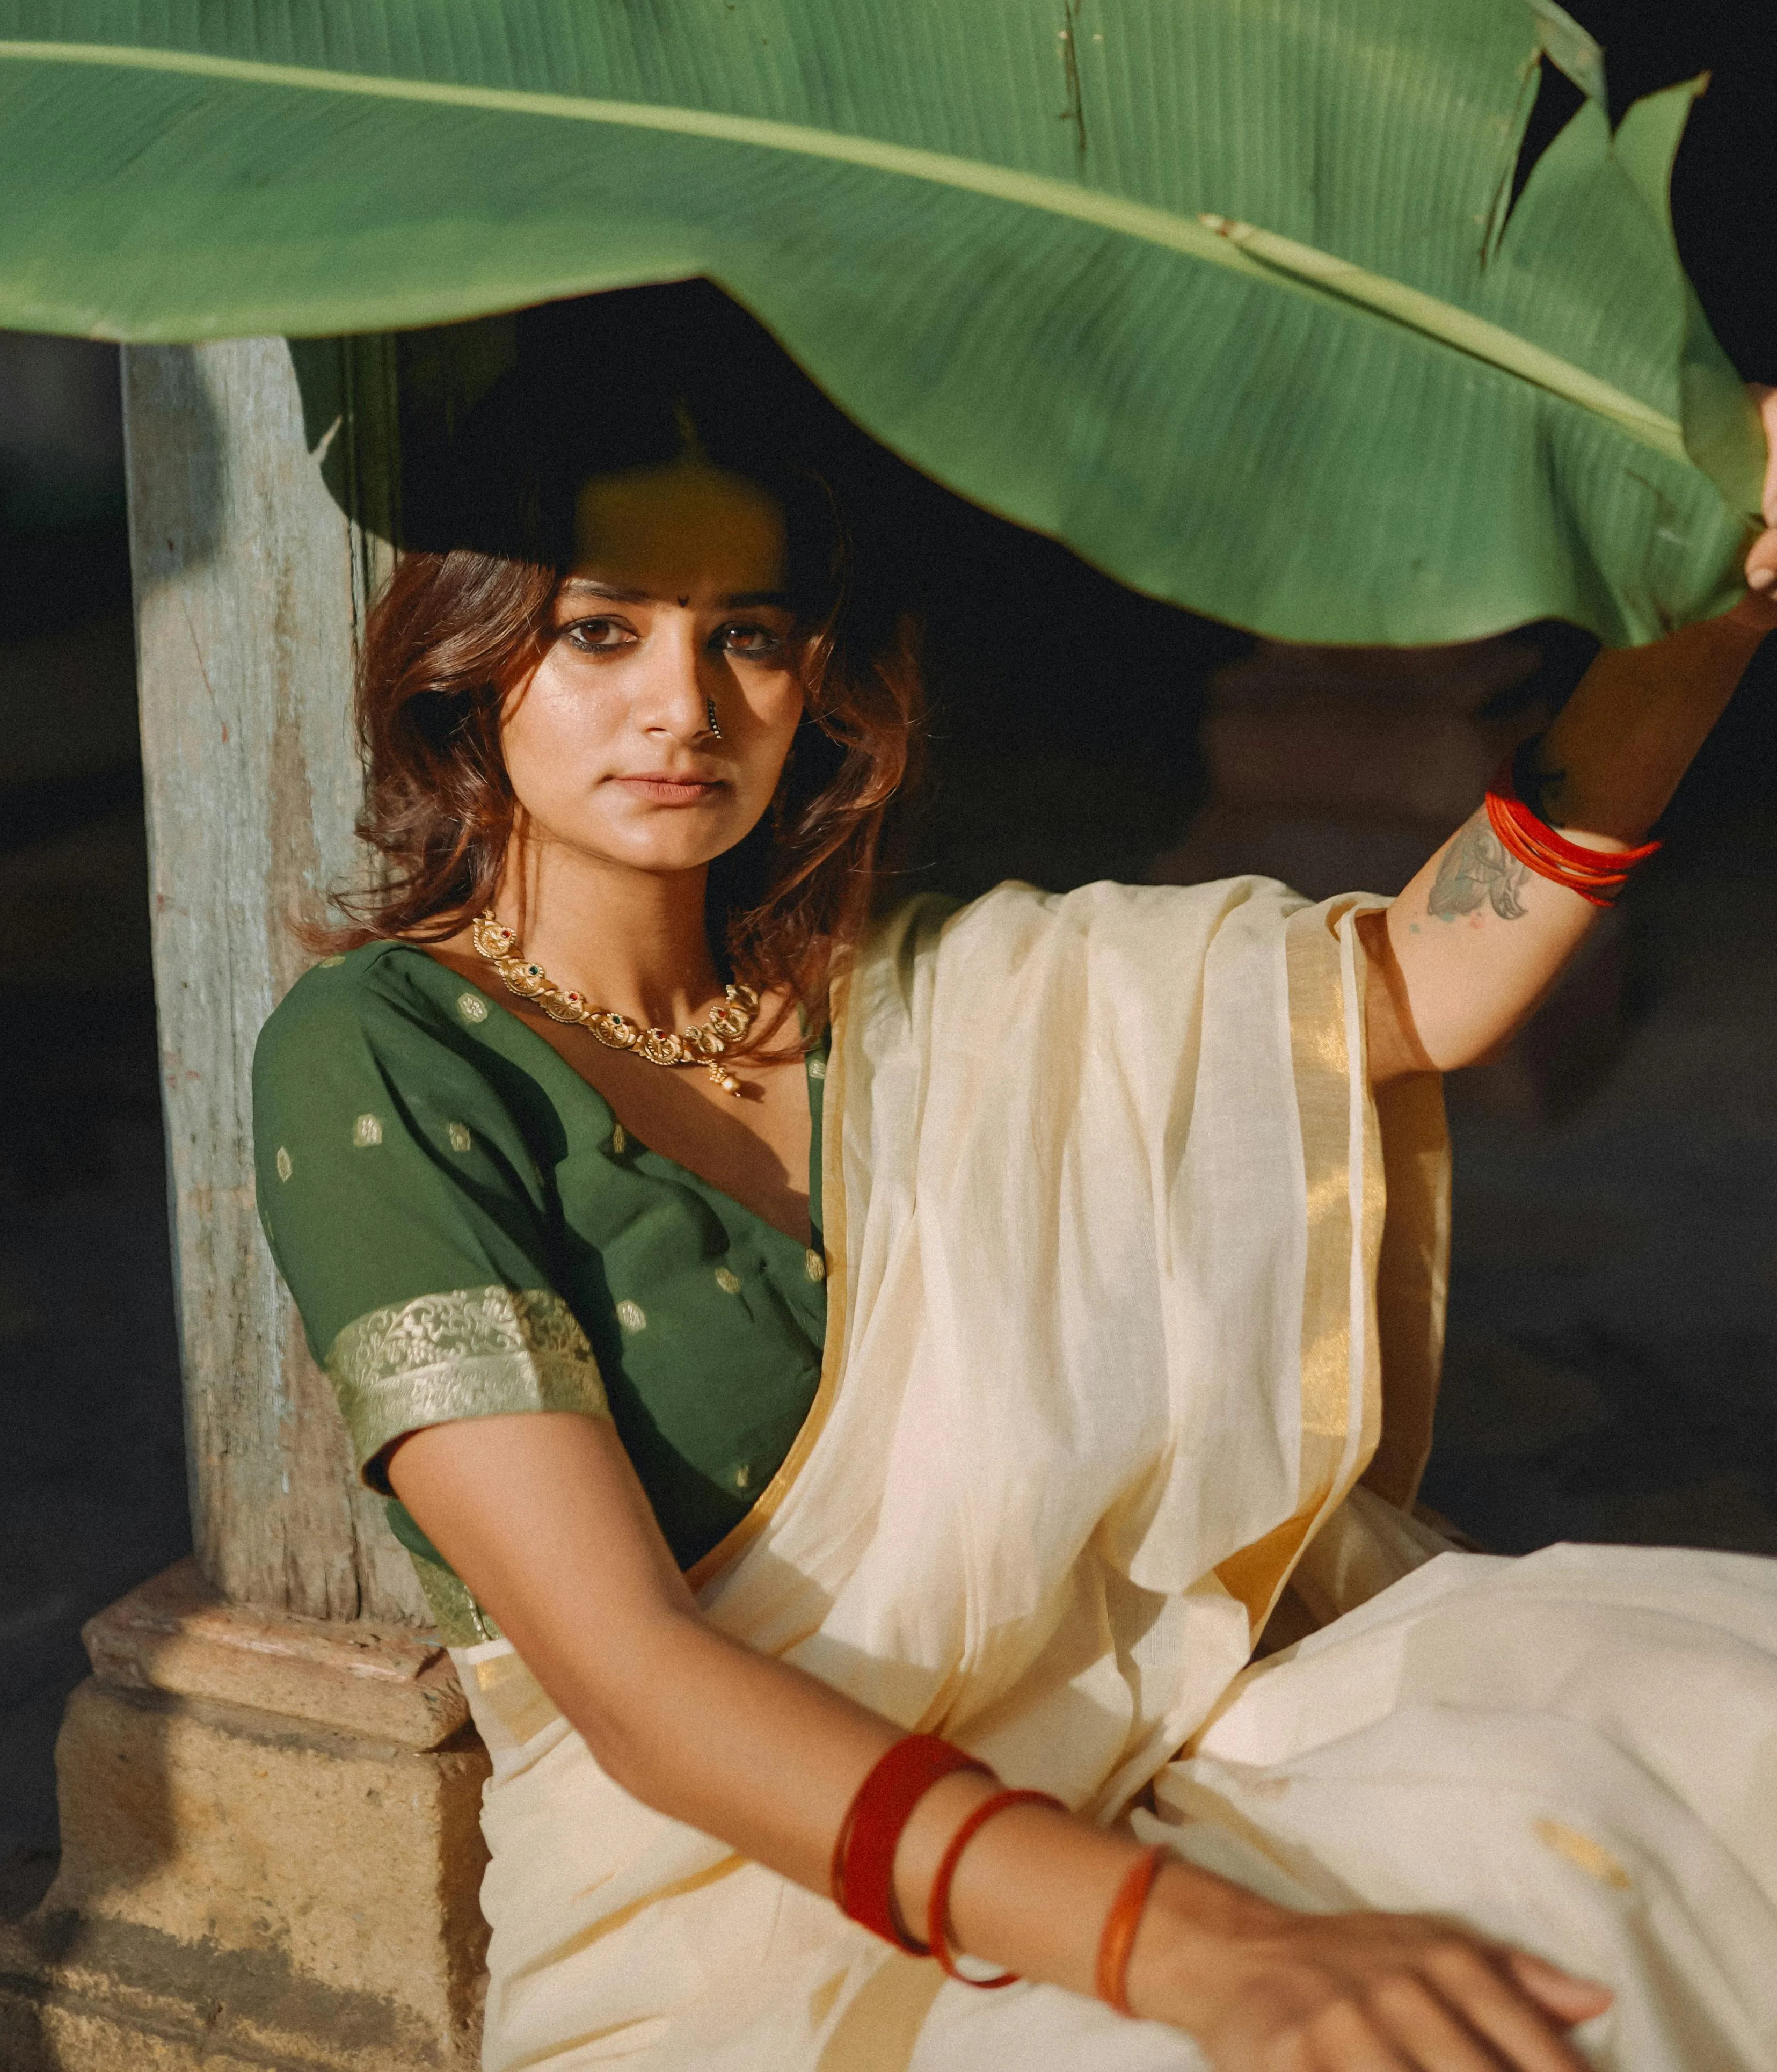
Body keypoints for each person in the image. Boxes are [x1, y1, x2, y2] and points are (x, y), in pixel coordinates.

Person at [254, 291, 1777, 2071]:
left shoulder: (927, 998)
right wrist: (1204, 1954)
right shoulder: (386, 1058)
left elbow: (1424, 987)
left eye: (747, 633)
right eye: (601, 631)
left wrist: (1707, 615)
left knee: (1710, 1742)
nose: (683, 707)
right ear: (474, 655)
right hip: (746, 1916)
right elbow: (639, 1690)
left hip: (1150, 1739)